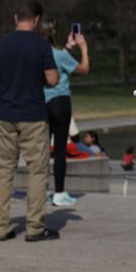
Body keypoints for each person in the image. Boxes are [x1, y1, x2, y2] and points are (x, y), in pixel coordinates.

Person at [0, 2, 60, 242]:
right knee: (37, 171)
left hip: (6, 114)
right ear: (37, 20)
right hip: (33, 114)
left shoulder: (0, 45)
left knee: (3, 172)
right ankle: (35, 226)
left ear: (16, 17)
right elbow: (52, 79)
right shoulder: (41, 46)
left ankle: (1, 226)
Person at [41, 18, 90, 208]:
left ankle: (42, 190)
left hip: (42, 102)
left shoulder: (40, 53)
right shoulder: (59, 55)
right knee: (60, 149)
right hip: (60, 102)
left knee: (43, 150)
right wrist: (83, 48)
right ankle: (59, 192)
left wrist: (68, 48)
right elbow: (84, 68)